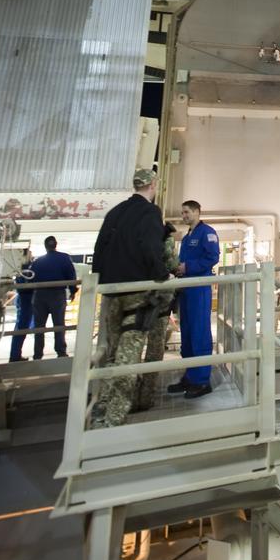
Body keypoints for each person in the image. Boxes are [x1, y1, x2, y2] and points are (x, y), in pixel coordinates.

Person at [90, 169, 171, 427]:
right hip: (137, 293)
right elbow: (150, 246)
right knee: (129, 354)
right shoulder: (149, 212)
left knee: (113, 352)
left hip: (112, 292)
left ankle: (100, 406)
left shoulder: (115, 212)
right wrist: (161, 275)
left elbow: (99, 249)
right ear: (153, 185)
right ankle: (113, 419)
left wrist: (101, 282)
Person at [166, 201, 220, 400]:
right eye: (182, 212)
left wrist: (187, 267)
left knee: (199, 333)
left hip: (198, 289)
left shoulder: (207, 232)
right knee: (187, 335)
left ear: (197, 212)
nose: (184, 215)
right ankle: (190, 375)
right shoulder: (188, 235)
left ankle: (201, 380)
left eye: (187, 212)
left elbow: (213, 257)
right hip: (186, 289)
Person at [133, 221, 181, 413]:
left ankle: (130, 392)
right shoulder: (164, 238)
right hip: (159, 296)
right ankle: (147, 395)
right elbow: (171, 263)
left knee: (133, 344)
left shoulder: (135, 235)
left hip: (135, 296)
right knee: (155, 344)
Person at [31, 237, 78, 359]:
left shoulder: (38, 261)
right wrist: (73, 291)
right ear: (56, 245)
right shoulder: (64, 258)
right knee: (59, 324)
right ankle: (61, 352)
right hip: (57, 294)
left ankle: (37, 354)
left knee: (39, 326)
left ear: (45, 246)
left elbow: (31, 277)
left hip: (40, 295)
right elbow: (71, 275)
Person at [8, 251, 35, 362]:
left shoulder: (21, 268)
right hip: (26, 300)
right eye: (30, 255)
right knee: (22, 328)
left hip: (23, 299)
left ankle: (15, 354)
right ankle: (15, 356)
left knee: (20, 328)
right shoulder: (27, 269)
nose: (32, 257)